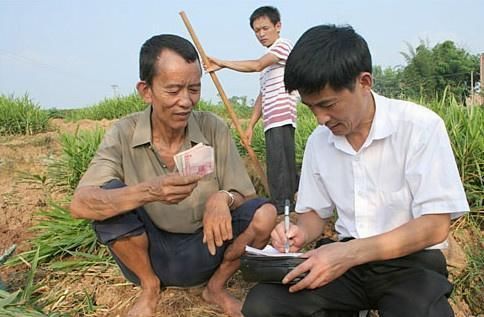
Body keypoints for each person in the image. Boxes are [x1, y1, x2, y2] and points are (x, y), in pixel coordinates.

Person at [241, 24, 470, 317]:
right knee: (264, 305)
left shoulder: (420, 127)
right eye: (311, 108)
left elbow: (435, 225)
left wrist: (348, 254)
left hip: (409, 262)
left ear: (364, 82)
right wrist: (298, 232)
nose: (321, 119)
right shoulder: (319, 142)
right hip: (345, 265)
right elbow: (314, 214)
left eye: (328, 105)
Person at [69, 34, 277, 317]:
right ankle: (150, 287)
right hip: (150, 253)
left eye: (194, 89)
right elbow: (81, 203)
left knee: (264, 213)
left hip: (206, 248)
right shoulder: (123, 133)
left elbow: (245, 194)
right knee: (108, 199)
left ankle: (215, 287)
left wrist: (223, 198)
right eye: (173, 90)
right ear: (146, 91)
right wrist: (149, 191)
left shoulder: (212, 128)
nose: (186, 101)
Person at [205, 6, 298, 213]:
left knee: (281, 168)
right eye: (257, 30)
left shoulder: (283, 47)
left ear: (278, 26)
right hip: (270, 121)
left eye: (265, 28)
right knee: (276, 166)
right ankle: (283, 206)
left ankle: (285, 210)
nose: (261, 34)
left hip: (282, 117)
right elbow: (262, 96)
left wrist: (222, 63)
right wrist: (251, 126)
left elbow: (256, 65)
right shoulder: (269, 64)